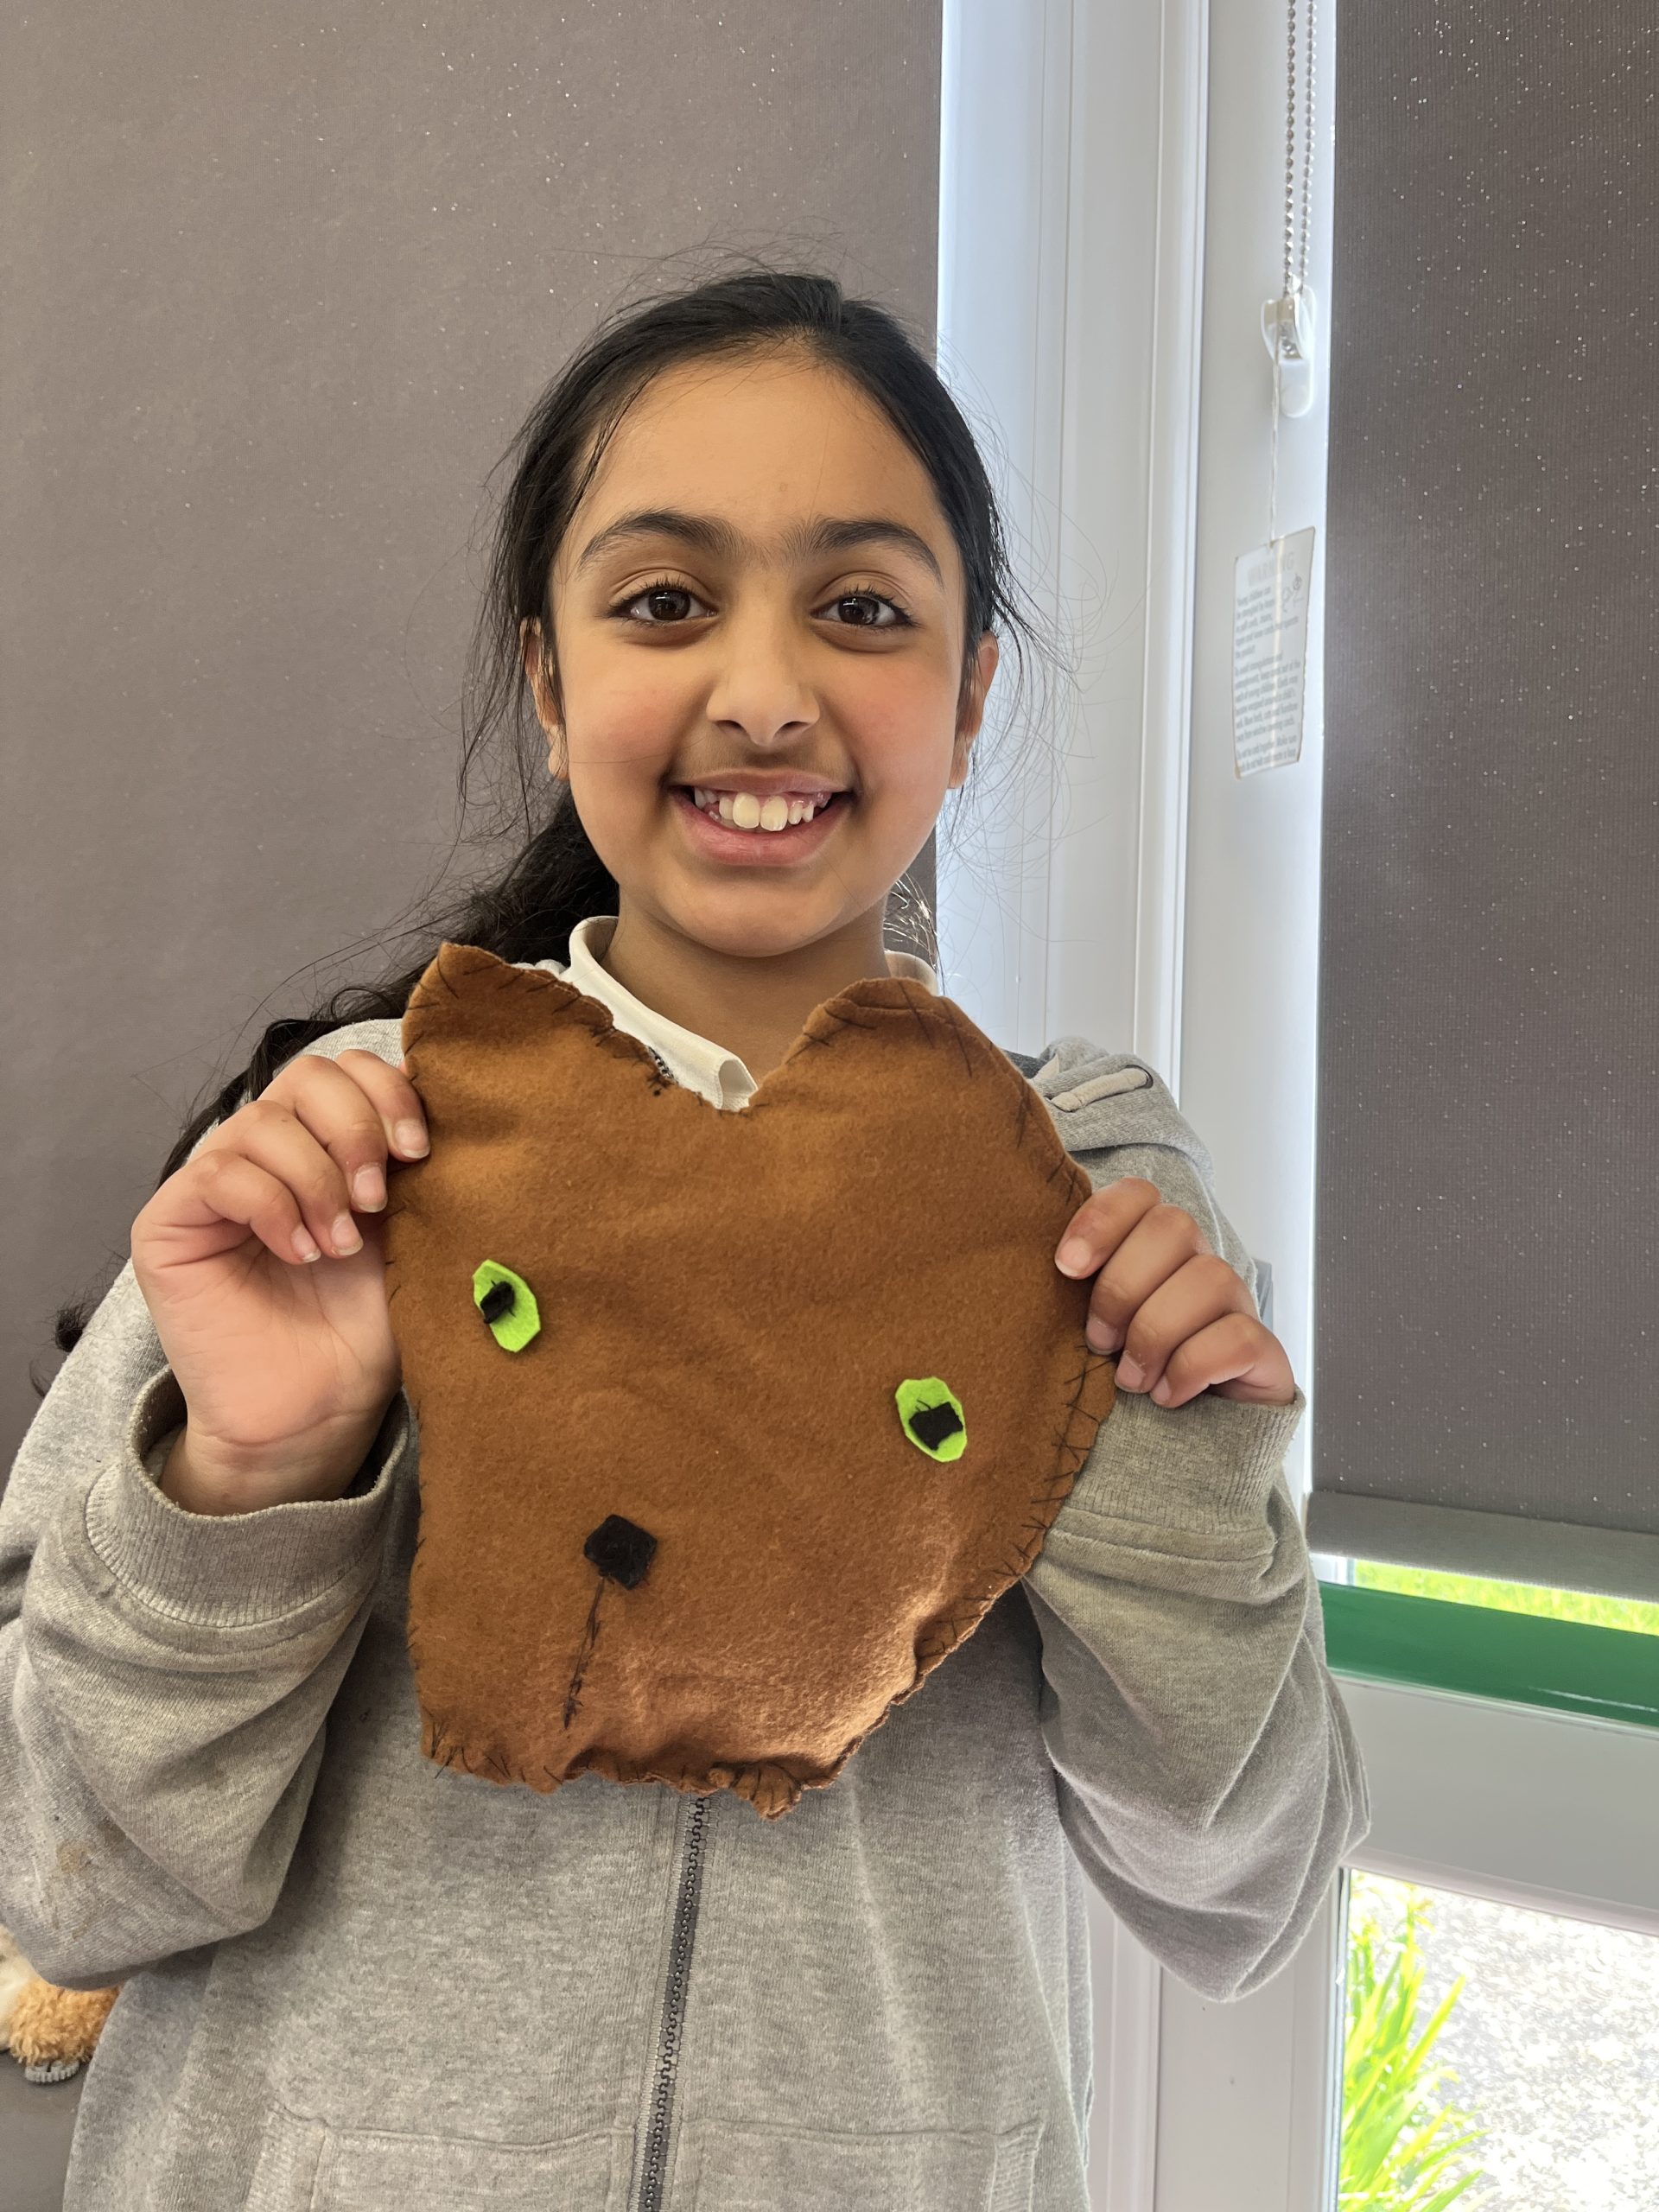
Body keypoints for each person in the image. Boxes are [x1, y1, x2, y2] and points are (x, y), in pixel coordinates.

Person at [0, 264, 1370, 2212]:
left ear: (971, 696)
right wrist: (253, 1469)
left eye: (864, 608)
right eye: (663, 600)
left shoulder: (1083, 1196)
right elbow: (60, 1876)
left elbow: (1250, 1897)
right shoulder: (345, 1150)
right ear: (551, 680)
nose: (765, 689)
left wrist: (1150, 1494)